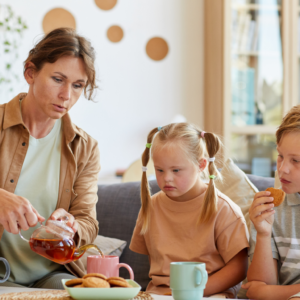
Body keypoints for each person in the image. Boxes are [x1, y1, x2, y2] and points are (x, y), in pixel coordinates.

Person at [0, 28, 100, 289]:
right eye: (58, 79)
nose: (67, 95)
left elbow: (88, 221)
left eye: (78, 85)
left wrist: (71, 224)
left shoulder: (85, 148)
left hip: (52, 274)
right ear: (30, 72)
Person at [129, 123, 249, 298]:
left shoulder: (224, 209)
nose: (166, 178)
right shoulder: (151, 206)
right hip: (159, 295)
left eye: (176, 170)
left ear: (201, 165)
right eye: (160, 170)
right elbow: (155, 262)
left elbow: (239, 268)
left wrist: (195, 291)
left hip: (209, 294)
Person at [243, 106, 300, 300]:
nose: (282, 169)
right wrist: (263, 233)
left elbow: (265, 292)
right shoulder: (270, 208)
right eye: (280, 156)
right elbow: (259, 287)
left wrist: (271, 293)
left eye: (296, 161)